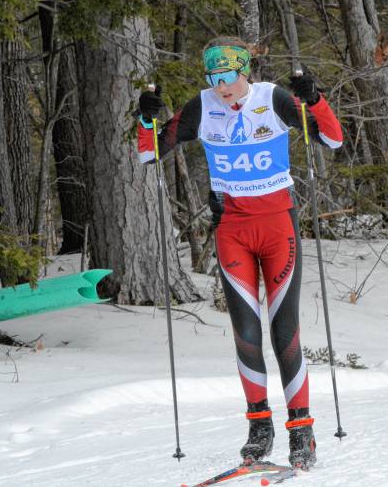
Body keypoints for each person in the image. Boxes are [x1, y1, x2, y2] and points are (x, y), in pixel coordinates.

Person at [136, 36, 343, 470]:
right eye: (213, 77)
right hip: (232, 230)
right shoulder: (201, 106)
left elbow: (333, 140)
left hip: (277, 227)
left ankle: (301, 429)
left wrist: (315, 100)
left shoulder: (273, 99)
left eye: (228, 76)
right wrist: (146, 118)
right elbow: (148, 154)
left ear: (245, 70)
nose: (222, 86)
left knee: (284, 331)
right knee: (245, 334)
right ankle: (259, 426)